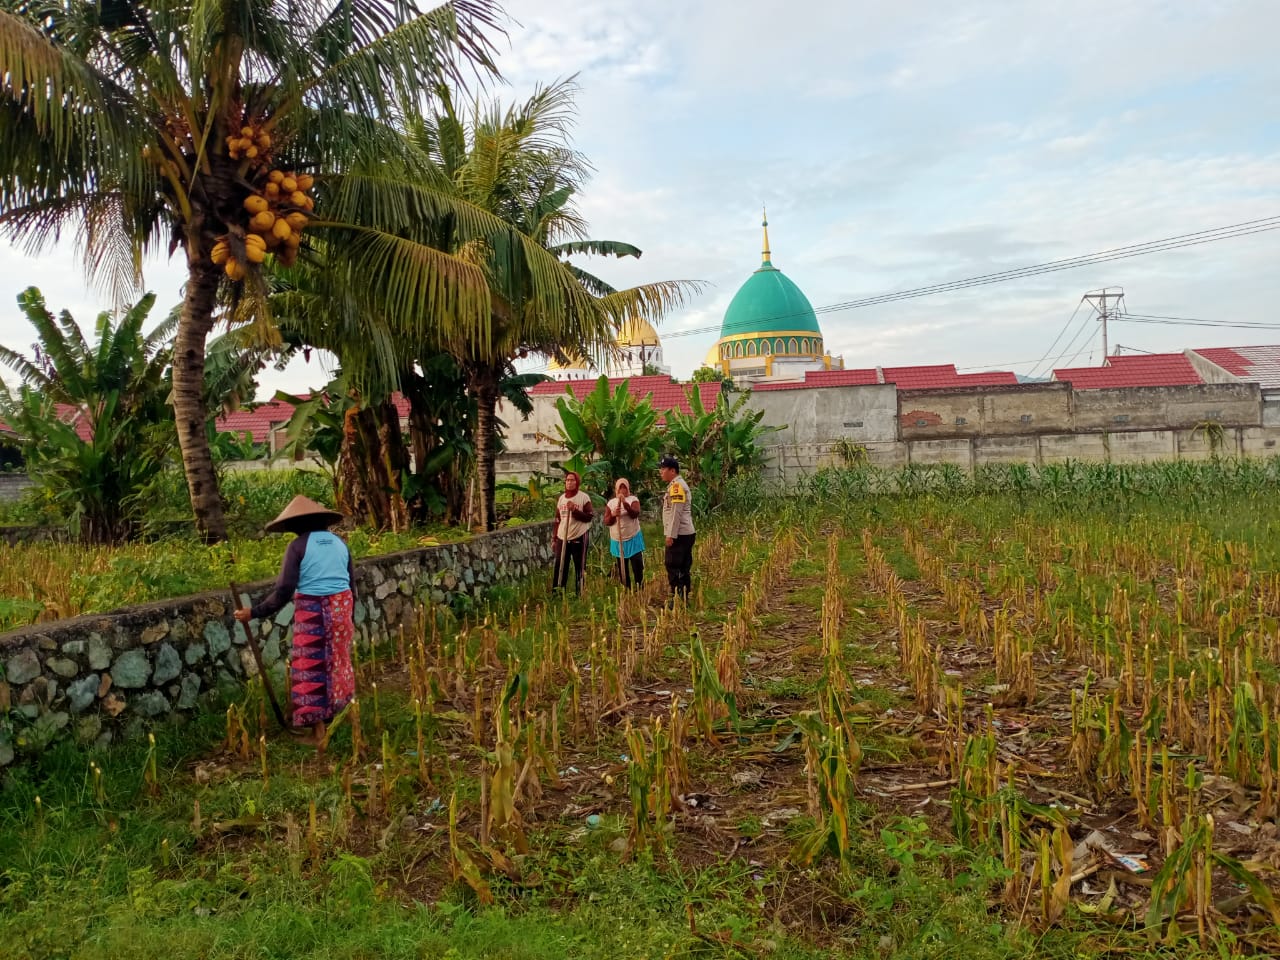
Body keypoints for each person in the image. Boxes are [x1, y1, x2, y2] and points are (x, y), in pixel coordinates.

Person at [234, 495, 355, 748]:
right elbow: (351, 582)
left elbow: (284, 590)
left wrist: (253, 612)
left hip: (314, 608)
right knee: (337, 661)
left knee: (311, 667)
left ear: (295, 526)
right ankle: (337, 715)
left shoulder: (298, 547)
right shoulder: (340, 543)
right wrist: (347, 616)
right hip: (343, 606)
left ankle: (319, 732)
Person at [659, 455, 695, 603]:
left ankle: (678, 597)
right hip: (686, 533)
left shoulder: (676, 487)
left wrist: (671, 535)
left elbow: (676, 512)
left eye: (663, 469)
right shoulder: (677, 485)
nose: (660, 472)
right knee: (683, 565)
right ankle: (684, 595)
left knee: (673, 564)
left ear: (672, 471)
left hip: (680, 534)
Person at [552, 470, 594, 593]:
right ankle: (558, 591)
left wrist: (575, 511)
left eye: (572, 480)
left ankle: (580, 592)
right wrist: (554, 538)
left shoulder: (583, 497)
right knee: (560, 565)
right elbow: (557, 519)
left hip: (579, 535)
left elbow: (589, 516)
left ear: (577, 482)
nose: (569, 482)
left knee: (579, 566)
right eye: (567, 480)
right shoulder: (561, 499)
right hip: (562, 536)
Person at [603, 477, 644, 588]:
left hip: (633, 536)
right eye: (620, 488)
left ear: (628, 489)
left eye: (624, 487)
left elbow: (635, 514)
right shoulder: (611, 503)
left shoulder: (633, 499)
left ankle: (640, 588)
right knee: (622, 568)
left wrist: (625, 503)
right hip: (618, 540)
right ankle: (627, 589)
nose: (622, 490)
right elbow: (606, 521)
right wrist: (612, 515)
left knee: (637, 565)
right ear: (616, 489)